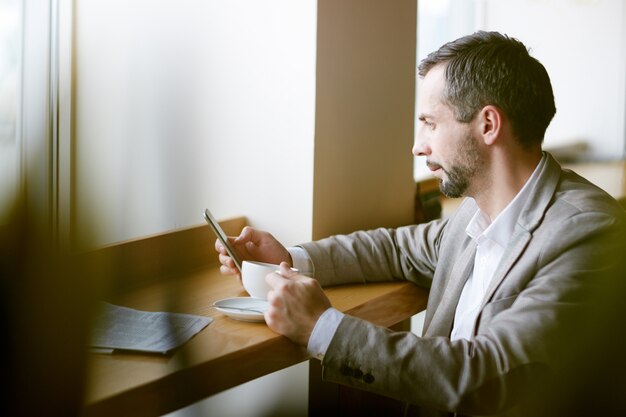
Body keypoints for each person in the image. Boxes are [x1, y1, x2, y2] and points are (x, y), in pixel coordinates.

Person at [216, 31, 626, 416]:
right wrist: (291, 258)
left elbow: (486, 375)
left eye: (430, 122)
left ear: (488, 124)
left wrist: (323, 327)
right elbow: (394, 248)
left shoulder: (589, 233)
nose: (418, 145)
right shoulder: (476, 212)